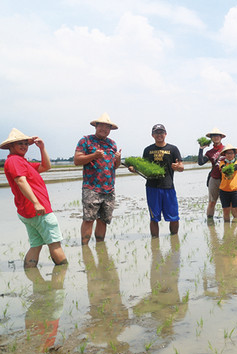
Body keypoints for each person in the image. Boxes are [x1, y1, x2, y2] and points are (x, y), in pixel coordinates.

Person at [2, 128, 68, 268]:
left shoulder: (22, 161)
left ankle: (31, 275)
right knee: (54, 243)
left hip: (28, 211)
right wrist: (36, 203)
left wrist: (42, 148)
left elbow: (46, 166)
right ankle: (64, 275)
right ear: (10, 146)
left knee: (36, 245)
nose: (24, 146)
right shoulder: (14, 161)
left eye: (26, 143)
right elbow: (21, 181)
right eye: (20, 143)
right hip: (38, 210)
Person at [74, 112, 121, 245]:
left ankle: (100, 247)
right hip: (91, 188)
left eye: (107, 128)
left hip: (109, 189)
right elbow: (77, 160)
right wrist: (93, 155)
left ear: (110, 130)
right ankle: (85, 247)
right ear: (96, 126)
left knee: (103, 220)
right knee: (89, 219)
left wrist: (118, 159)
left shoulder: (112, 144)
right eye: (102, 126)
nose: (104, 129)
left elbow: (114, 166)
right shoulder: (86, 140)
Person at [129, 124, 183, 237]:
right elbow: (143, 167)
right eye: (157, 133)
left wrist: (178, 167)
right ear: (152, 135)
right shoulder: (148, 150)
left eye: (161, 132)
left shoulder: (173, 149)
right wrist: (134, 169)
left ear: (165, 134)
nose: (159, 135)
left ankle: (174, 240)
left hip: (168, 187)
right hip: (152, 188)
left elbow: (181, 167)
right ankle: (155, 241)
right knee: (154, 217)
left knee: (174, 216)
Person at [198, 128, 226, 219]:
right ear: (211, 138)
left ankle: (231, 224)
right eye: (214, 136)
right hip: (214, 178)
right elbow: (200, 162)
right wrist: (201, 149)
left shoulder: (226, 149)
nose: (216, 137)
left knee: (228, 203)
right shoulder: (209, 152)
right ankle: (210, 222)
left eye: (218, 136)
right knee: (212, 202)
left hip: (226, 178)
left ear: (221, 137)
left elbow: (234, 162)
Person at [219, 144, 237, 222]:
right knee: (226, 211)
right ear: (225, 155)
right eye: (228, 153)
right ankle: (226, 230)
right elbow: (223, 168)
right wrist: (227, 168)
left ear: (234, 154)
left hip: (235, 190)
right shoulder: (222, 163)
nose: (229, 155)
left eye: (231, 153)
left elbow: (236, 167)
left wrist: (231, 167)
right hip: (224, 190)